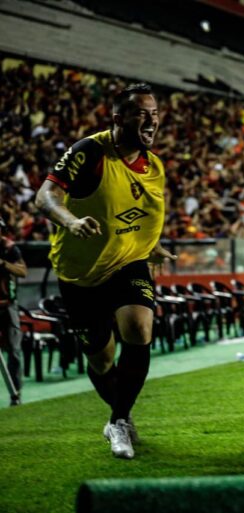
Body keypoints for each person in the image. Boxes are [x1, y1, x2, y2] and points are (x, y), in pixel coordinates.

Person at [35, 83, 176, 459]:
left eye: (155, 114)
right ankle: (122, 414)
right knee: (101, 358)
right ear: (118, 118)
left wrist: (153, 244)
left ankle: (118, 421)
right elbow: (45, 196)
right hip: (79, 272)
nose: (151, 121)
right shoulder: (90, 151)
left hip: (128, 261)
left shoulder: (153, 165)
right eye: (142, 114)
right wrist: (70, 221)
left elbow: (143, 211)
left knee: (139, 328)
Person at [0, 216, 28, 406]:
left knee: (14, 350)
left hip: (7, 304)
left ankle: (15, 394)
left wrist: (3, 263)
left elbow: (23, 271)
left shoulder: (9, 247)